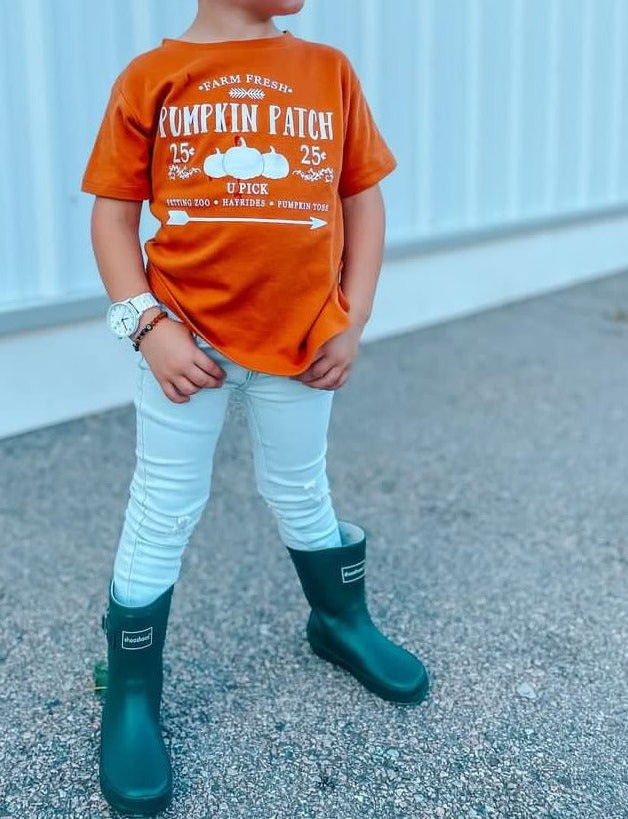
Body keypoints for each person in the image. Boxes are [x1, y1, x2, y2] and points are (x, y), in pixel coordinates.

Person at [81, 0, 429, 814]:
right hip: (186, 342)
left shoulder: (328, 70)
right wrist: (146, 327)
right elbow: (113, 213)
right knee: (164, 503)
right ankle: (132, 687)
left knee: (299, 486)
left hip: (304, 341)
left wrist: (354, 315)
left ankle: (339, 621)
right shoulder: (151, 77)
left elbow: (361, 200)